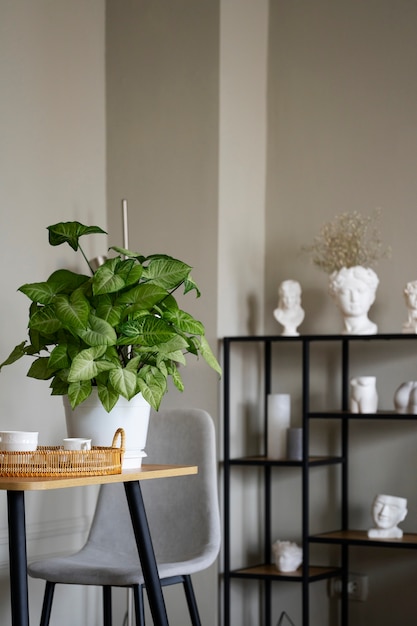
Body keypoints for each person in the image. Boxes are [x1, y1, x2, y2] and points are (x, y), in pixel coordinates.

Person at [328, 266, 379, 335]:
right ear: (335, 298)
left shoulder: (369, 330)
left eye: (360, 291)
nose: (354, 299)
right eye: (346, 292)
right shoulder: (346, 330)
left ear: (372, 297)